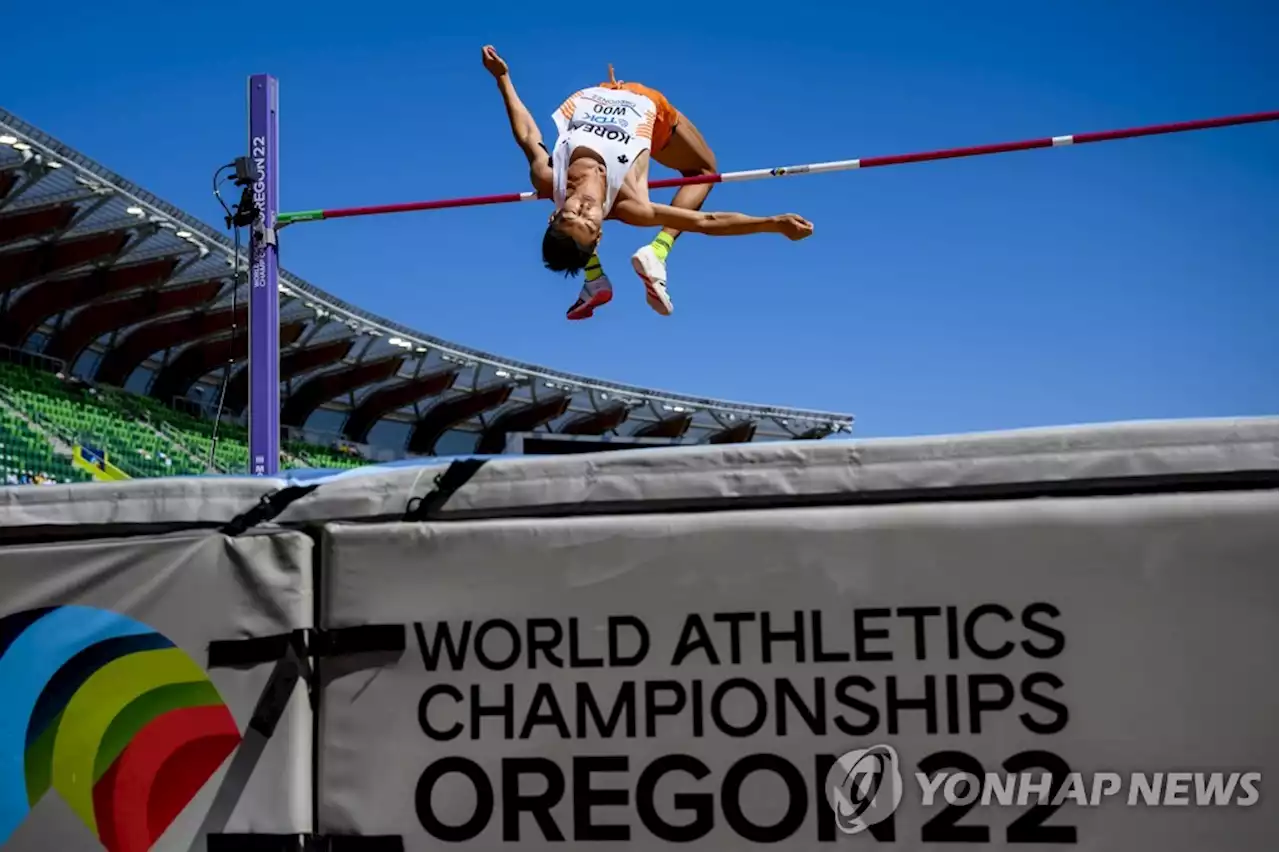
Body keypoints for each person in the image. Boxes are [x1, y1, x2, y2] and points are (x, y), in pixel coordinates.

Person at [481, 45, 814, 320]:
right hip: (645, 106)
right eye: (589, 221)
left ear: (555, 214)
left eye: (571, 215)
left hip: (596, 95)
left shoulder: (548, 177)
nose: (584, 209)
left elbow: (527, 134)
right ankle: (658, 251)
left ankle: (595, 278)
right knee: (704, 170)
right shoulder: (632, 205)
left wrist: (503, 78)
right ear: (599, 234)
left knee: (564, 219)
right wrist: (772, 223)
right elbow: (705, 221)